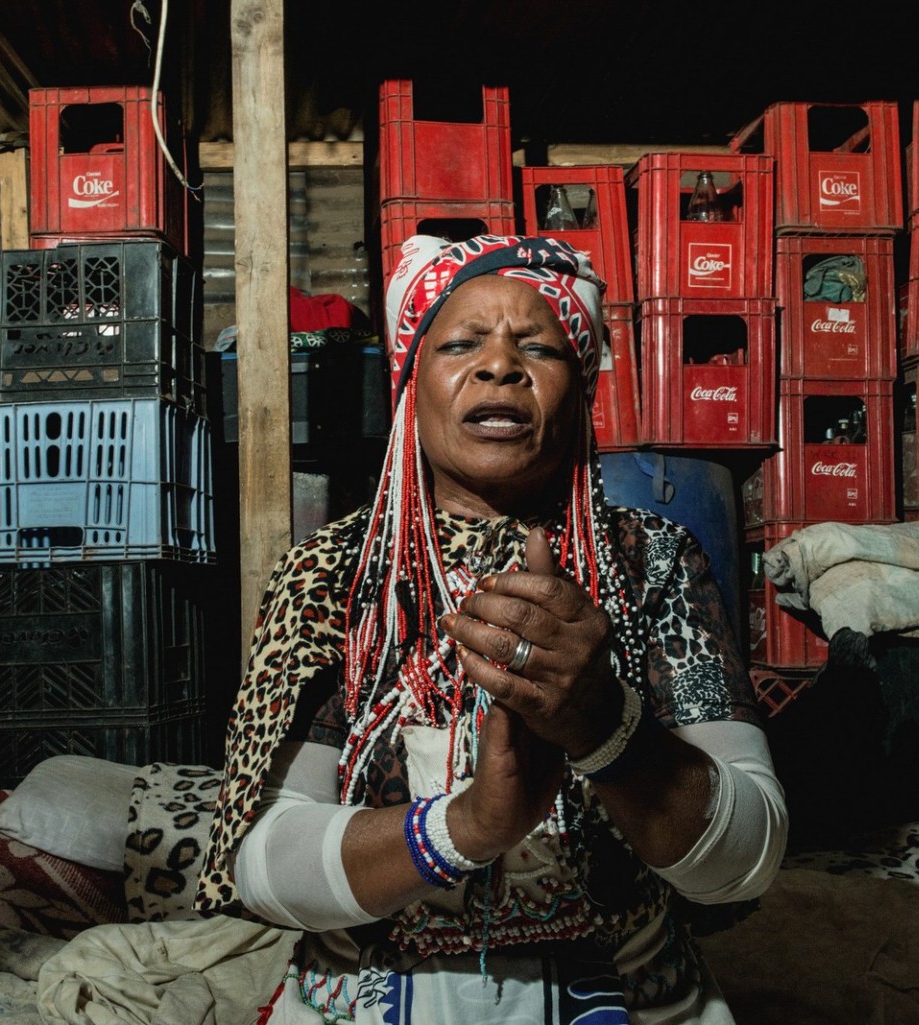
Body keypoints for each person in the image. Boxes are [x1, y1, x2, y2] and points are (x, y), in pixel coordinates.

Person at [196, 234, 788, 1023]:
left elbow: (746, 863)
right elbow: (265, 863)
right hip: (372, 995)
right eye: (461, 343)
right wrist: (467, 824)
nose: (500, 365)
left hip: (627, 991)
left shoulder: (652, 561)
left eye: (538, 347)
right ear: (412, 387)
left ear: (579, 395)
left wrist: (606, 726)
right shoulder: (336, 575)